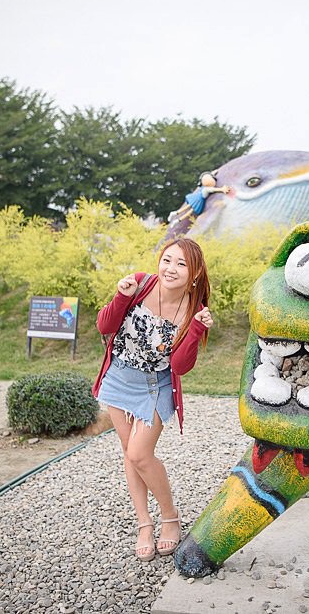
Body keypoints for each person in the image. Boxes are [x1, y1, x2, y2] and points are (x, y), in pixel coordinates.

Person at [93, 238, 214, 562]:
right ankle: (144, 524)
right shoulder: (141, 284)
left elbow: (180, 366)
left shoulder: (195, 311)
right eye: (167, 260)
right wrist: (122, 296)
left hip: (154, 385)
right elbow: (104, 325)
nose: (170, 269)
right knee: (129, 455)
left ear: (195, 273)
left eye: (181, 264)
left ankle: (170, 516)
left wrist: (194, 332)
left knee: (139, 453)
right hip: (119, 378)